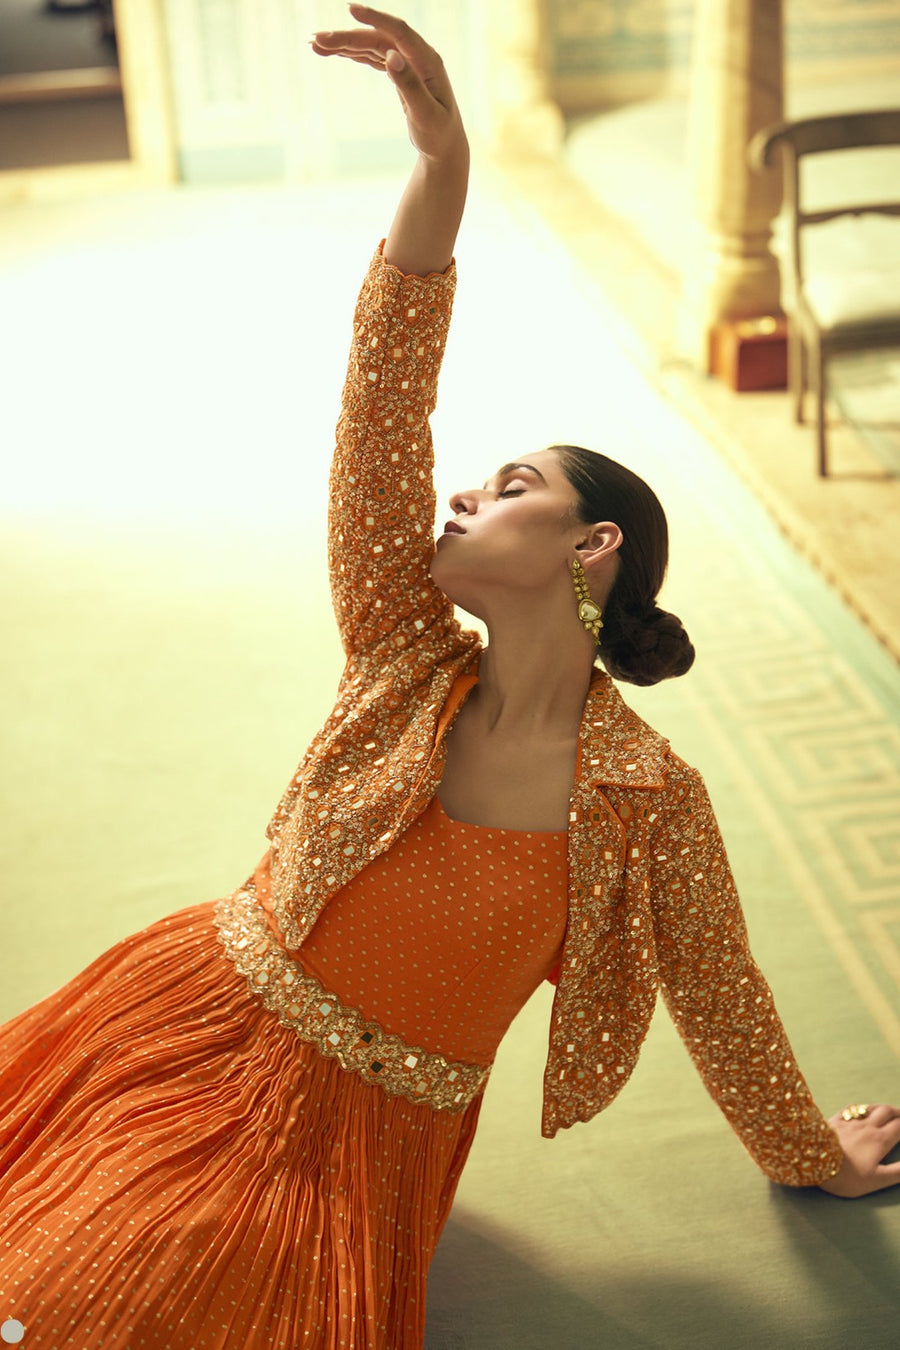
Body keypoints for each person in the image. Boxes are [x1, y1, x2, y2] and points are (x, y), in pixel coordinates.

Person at [0, 7, 898, 1348]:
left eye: (514, 484)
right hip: (192, 1022)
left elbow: (723, 993)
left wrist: (808, 1152)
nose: (467, 490)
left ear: (590, 549)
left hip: (365, 1146)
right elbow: (383, 400)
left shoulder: (648, 797)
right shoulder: (402, 646)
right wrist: (443, 172)